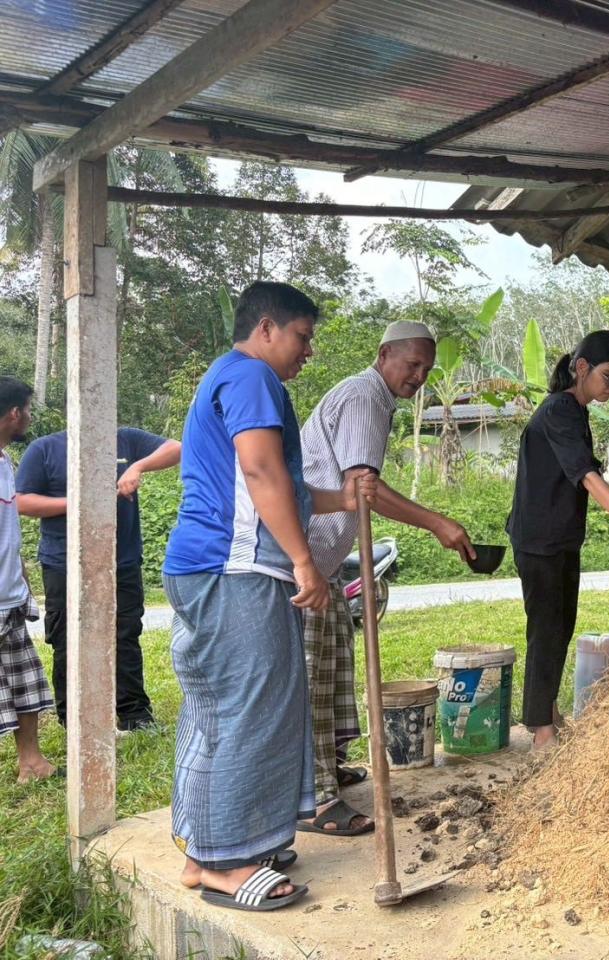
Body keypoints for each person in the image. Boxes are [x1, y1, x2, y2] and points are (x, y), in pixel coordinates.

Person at [163, 281, 375, 912]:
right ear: (265, 329)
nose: (308, 350)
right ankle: (226, 863)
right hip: (237, 572)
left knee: (222, 710)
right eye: (302, 336)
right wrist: (305, 561)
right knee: (249, 711)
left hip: (215, 569)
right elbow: (260, 471)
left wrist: (343, 498)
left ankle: (210, 849)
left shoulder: (230, 377)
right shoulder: (252, 376)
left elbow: (283, 486)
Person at [298, 320, 475, 836]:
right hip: (302, 555)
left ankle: (328, 768)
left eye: (427, 369)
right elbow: (363, 488)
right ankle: (311, 798)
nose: (419, 376)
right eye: (411, 364)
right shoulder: (364, 397)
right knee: (309, 679)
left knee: (333, 667)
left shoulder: (377, 400)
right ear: (383, 356)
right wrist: (437, 522)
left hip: (326, 561)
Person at [507, 330, 609, 749]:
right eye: (608, 376)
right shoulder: (560, 408)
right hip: (539, 540)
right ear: (582, 367)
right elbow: (586, 474)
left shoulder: (575, 411)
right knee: (546, 628)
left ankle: (547, 711)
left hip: (559, 538)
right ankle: (541, 732)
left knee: (561, 625)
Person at [16, 427, 181, 732]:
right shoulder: (45, 448)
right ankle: (73, 717)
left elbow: (176, 448)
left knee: (125, 634)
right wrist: (78, 504)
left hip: (122, 560)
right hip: (64, 562)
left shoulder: (125, 439)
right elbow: (22, 501)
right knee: (66, 637)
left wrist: (138, 466)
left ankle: (134, 714)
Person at [0, 377, 56, 784]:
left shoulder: (5, 462)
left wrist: (19, 575)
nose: (30, 418)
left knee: (24, 681)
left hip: (10, 595)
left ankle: (32, 762)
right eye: (29, 410)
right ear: (14, 413)